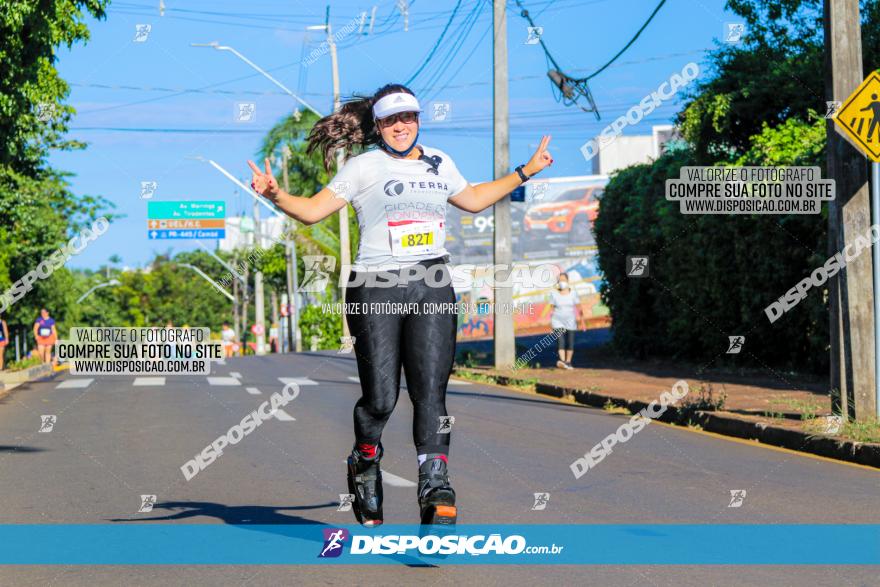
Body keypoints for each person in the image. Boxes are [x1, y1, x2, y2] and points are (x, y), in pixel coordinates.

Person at [247, 83, 553, 527]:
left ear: (418, 119)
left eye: (408, 117)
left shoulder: (439, 162)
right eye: (391, 120)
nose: (401, 126)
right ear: (378, 125)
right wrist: (274, 194)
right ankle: (365, 460)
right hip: (375, 286)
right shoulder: (362, 166)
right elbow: (313, 210)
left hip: (432, 283)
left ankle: (435, 484)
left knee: (431, 392)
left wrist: (526, 171)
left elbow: (473, 199)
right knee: (381, 399)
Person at [548, 272, 581, 369]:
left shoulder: (573, 293)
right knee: (560, 341)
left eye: (563, 280)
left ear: (567, 281)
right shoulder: (554, 294)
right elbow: (551, 308)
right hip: (557, 321)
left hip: (570, 320)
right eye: (560, 280)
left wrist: (581, 320)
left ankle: (568, 362)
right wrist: (550, 322)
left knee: (570, 342)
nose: (562, 282)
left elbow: (579, 306)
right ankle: (563, 361)